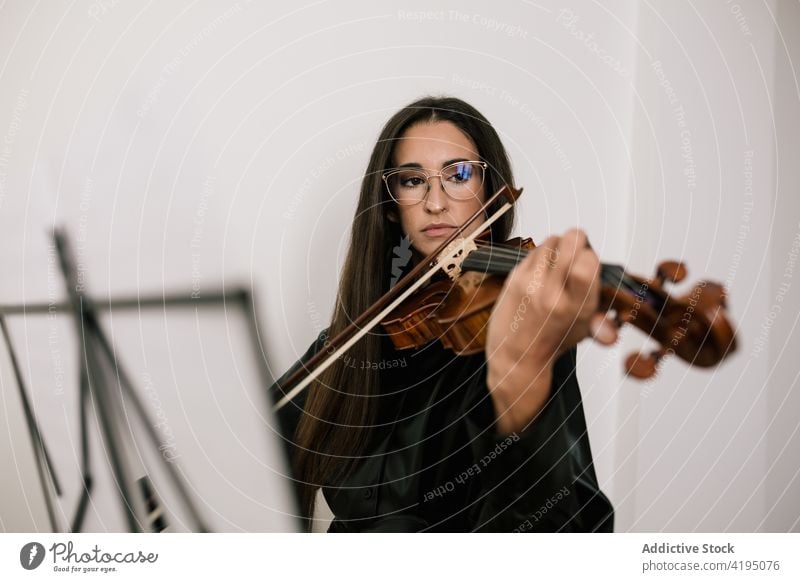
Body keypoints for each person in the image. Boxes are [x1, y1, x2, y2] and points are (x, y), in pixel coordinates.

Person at [269, 96, 618, 532]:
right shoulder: (350, 343)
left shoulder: (520, 333)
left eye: (460, 175)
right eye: (414, 180)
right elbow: (249, 447)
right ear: (392, 204)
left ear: (490, 195)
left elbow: (564, 528)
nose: (436, 202)